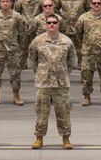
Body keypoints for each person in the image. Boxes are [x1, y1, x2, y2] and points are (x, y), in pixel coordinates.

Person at [28, 13, 77, 150]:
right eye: (49, 22)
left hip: (61, 84)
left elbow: (72, 61)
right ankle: (39, 138)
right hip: (43, 83)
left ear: (58, 25)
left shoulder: (67, 41)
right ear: (45, 25)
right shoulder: (38, 41)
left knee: (63, 113)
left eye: (54, 23)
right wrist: (40, 73)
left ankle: (66, 138)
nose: (51, 25)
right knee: (41, 113)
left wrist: (63, 73)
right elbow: (32, 60)